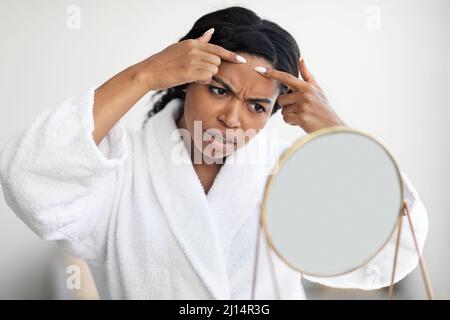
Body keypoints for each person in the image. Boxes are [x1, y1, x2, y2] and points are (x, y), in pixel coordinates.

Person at [0, 6, 428, 299]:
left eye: (258, 106)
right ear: (186, 79)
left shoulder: (292, 175)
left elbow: (394, 251)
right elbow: (32, 179)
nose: (232, 118)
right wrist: (144, 74)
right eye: (219, 90)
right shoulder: (120, 167)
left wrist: (334, 130)